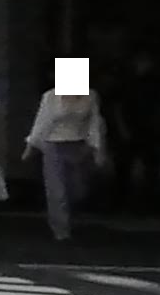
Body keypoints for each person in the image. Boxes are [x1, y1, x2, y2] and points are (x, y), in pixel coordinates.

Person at [24, 67, 105, 244]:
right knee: (57, 190)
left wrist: (97, 149)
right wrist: (31, 146)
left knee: (78, 188)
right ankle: (61, 231)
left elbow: (94, 123)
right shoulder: (51, 97)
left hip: (78, 145)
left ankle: (69, 216)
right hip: (53, 145)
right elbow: (41, 122)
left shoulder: (90, 96)